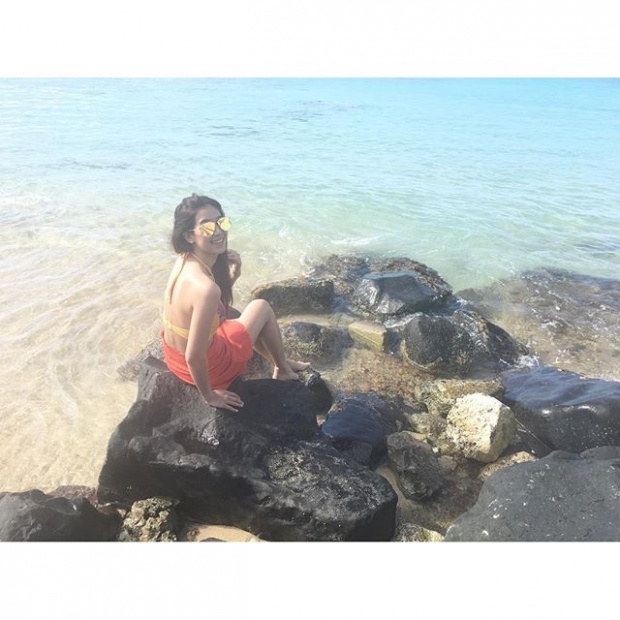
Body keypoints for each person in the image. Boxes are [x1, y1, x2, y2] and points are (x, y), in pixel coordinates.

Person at [161, 194, 310, 412]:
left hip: (174, 359)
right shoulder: (206, 288)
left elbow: (213, 310)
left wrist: (233, 276)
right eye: (207, 226)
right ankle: (282, 369)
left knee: (240, 321)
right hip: (207, 369)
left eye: (221, 222)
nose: (218, 231)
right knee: (261, 307)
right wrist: (210, 396)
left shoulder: (184, 261)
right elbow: (194, 356)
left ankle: (282, 362)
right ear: (189, 235)